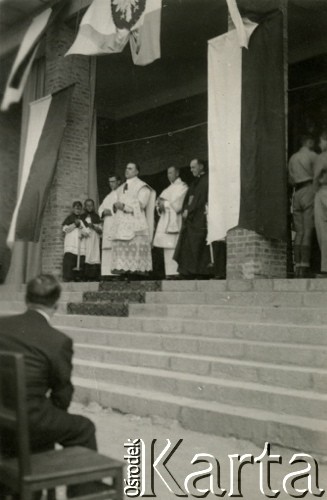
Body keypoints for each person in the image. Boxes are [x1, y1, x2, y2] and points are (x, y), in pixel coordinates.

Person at [0, 275, 110, 497]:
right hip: (29, 420)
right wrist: (50, 420)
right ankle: (84, 493)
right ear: (56, 304)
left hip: (3, 414)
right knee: (84, 428)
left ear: (26, 299)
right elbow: (62, 392)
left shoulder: (2, 325)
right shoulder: (57, 340)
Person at [110, 162, 156, 278]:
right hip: (121, 223)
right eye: (126, 168)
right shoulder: (120, 188)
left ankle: (136, 271)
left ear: (137, 172)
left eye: (130, 169)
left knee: (135, 246)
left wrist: (124, 206)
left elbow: (141, 204)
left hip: (135, 223)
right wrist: (116, 206)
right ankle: (123, 271)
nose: (127, 170)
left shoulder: (142, 186)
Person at [174, 158, 212, 278]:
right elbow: (188, 198)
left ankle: (200, 272)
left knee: (198, 245)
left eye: (193, 167)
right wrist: (186, 208)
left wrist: (188, 210)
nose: (191, 170)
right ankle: (187, 271)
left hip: (200, 217)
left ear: (201, 166)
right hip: (191, 218)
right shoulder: (195, 182)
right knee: (187, 244)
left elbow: (200, 200)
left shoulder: (207, 180)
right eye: (190, 168)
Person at [288, 134, 317, 277]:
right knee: (307, 231)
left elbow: (290, 179)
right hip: (308, 189)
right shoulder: (312, 156)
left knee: (299, 232)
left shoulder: (293, 158)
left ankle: (298, 266)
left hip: (296, 193)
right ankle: (305, 266)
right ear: (308, 141)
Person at [153, 166, 188, 278]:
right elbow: (158, 203)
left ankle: (177, 272)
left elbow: (178, 205)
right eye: (168, 173)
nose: (169, 175)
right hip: (166, 220)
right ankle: (169, 272)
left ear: (177, 173)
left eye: (171, 173)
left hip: (175, 221)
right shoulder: (167, 189)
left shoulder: (183, 187)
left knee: (175, 245)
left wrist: (164, 204)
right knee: (167, 247)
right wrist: (159, 205)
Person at [98, 174, 121, 278]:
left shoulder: (122, 193)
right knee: (107, 248)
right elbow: (100, 208)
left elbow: (122, 207)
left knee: (115, 248)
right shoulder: (108, 196)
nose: (111, 184)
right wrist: (103, 212)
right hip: (107, 224)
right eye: (110, 182)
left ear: (118, 182)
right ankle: (106, 273)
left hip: (116, 224)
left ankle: (116, 273)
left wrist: (111, 211)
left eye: (113, 181)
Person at [62, 201, 87, 282]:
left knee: (80, 261)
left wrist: (81, 228)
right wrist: (74, 225)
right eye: (76, 208)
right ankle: (68, 277)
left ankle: (78, 277)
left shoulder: (83, 219)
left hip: (80, 243)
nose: (78, 210)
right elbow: (65, 229)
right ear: (73, 209)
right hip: (71, 243)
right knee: (69, 259)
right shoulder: (69, 218)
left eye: (79, 208)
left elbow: (86, 232)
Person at [314, 131, 327, 276]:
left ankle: (325, 268)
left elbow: (316, 177)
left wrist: (313, 192)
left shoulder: (322, 157)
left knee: (322, 230)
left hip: (324, 192)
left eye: (321, 141)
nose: (320, 145)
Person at [81, 198, 102, 281]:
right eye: (87, 205)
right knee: (86, 255)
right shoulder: (82, 216)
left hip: (94, 239)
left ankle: (94, 277)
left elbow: (100, 231)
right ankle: (85, 277)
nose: (89, 207)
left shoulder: (96, 216)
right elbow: (80, 228)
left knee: (95, 255)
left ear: (93, 206)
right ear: (85, 207)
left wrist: (92, 226)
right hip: (85, 238)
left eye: (91, 205)